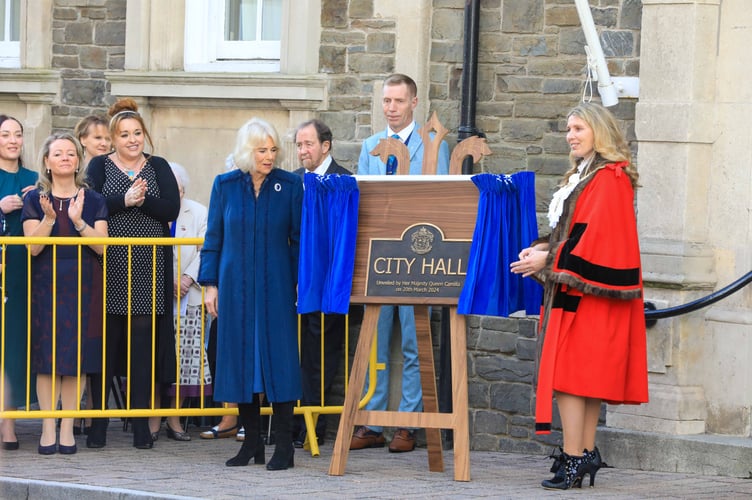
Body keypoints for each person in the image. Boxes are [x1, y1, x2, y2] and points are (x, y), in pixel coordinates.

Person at [511, 101, 648, 490]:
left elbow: (597, 241)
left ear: (598, 132)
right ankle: (584, 452)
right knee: (580, 377)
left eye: (579, 129)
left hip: (590, 293)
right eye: (569, 129)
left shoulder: (608, 178)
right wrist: (542, 249)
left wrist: (547, 259)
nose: (571, 135)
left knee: (571, 376)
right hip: (576, 288)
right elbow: (576, 234)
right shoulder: (588, 174)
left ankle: (575, 457)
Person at [351, 73, 450, 453]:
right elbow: (364, 197)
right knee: (375, 340)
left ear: (414, 103)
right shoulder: (371, 145)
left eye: (397, 101)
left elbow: (439, 199)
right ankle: (373, 422)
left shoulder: (432, 144)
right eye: (386, 101)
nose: (391, 108)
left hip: (417, 258)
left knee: (413, 341)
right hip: (379, 255)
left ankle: (407, 424)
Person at [199, 117, 303, 471]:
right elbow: (213, 238)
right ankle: (252, 443)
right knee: (241, 362)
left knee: (281, 362)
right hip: (234, 286)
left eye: (273, 149)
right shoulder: (225, 186)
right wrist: (210, 284)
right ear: (247, 151)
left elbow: (299, 240)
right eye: (262, 150)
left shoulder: (290, 186)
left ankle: (285, 446)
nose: (269, 156)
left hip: (275, 287)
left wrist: (298, 282)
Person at [86, 98, 181, 449]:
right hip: (108, 262)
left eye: (137, 133)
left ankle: (142, 425)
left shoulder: (158, 166)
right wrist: (122, 201)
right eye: (124, 134)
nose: (131, 140)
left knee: (143, 349)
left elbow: (171, 207)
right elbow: (90, 203)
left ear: (145, 135)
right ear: (113, 138)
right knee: (107, 347)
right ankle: (99, 424)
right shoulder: (98, 165)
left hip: (148, 264)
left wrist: (143, 202)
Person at [22, 132, 108, 455]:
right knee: (47, 358)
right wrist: (49, 218)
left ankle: (68, 429)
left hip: (84, 286)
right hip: (46, 284)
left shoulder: (94, 200)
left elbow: (102, 247)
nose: (65, 159)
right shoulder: (35, 200)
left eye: (71, 153)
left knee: (75, 359)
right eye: (58, 154)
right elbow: (33, 247)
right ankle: (48, 427)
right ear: (46, 161)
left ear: (78, 161)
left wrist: (78, 221)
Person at [292, 118, 356, 448]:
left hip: (328, 282)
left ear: (325, 146)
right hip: (296, 285)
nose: (303, 151)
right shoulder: (292, 182)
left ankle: (313, 426)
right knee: (297, 354)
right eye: (299, 145)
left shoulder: (344, 182)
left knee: (323, 355)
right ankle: (292, 424)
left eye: (308, 144)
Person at [148, 162, 212, 442]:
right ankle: (150, 419)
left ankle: (174, 420)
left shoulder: (198, 211)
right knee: (154, 360)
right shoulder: (151, 212)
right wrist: (165, 281)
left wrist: (187, 278)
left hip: (190, 298)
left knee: (183, 363)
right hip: (154, 297)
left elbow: (206, 248)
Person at [72, 114, 111, 434]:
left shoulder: (108, 171)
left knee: (92, 339)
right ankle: (75, 408)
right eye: (97, 137)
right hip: (72, 264)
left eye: (107, 138)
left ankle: (89, 408)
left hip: (97, 261)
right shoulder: (78, 175)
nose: (104, 143)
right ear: (82, 139)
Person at [0, 115, 37, 450]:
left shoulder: (33, 178)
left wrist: (37, 201)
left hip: (22, 270)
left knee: (12, 346)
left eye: (18, 134)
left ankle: (9, 421)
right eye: (5, 135)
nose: (13, 140)